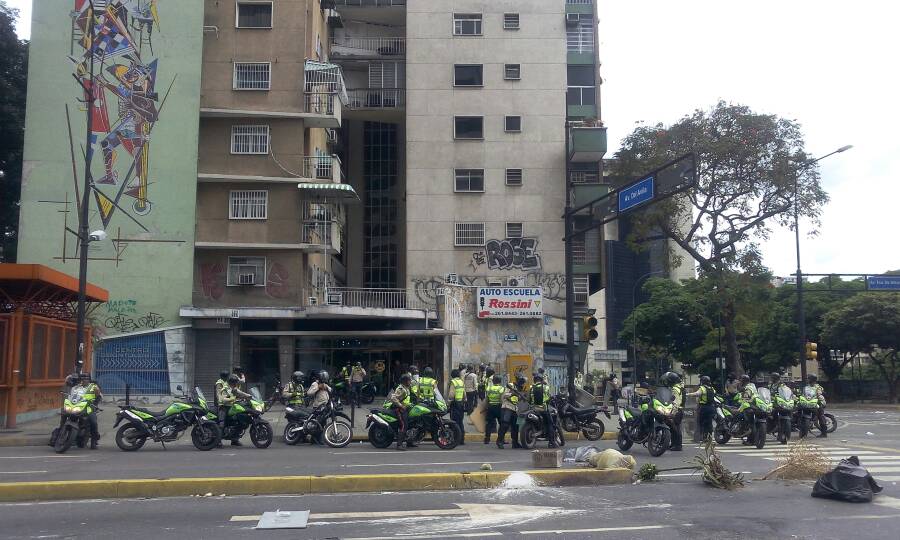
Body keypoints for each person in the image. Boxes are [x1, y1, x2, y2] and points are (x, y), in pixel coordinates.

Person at [221, 374, 252, 446]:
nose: (236, 384)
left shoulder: (234, 388)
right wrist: (232, 399)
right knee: (222, 423)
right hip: (224, 407)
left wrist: (248, 396)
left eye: (236, 383)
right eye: (235, 383)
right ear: (231, 382)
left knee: (239, 420)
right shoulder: (225, 389)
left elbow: (240, 393)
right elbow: (223, 399)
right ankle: (218, 440)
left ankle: (234, 439)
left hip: (232, 407)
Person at [497, 376, 525, 449]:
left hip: (514, 408)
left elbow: (516, 399)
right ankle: (499, 441)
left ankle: (515, 443)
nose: (522, 385)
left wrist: (520, 397)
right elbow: (504, 395)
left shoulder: (519, 388)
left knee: (515, 426)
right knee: (505, 425)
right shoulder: (511, 385)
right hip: (507, 407)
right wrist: (513, 394)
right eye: (521, 383)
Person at [530, 373, 557, 448]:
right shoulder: (546, 387)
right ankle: (551, 442)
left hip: (534, 409)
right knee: (550, 424)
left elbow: (529, 400)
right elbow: (549, 397)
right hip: (543, 408)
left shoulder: (532, 388)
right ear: (541, 380)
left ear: (535, 380)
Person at [388, 374, 414, 450]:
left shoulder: (407, 387)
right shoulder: (401, 389)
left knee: (410, 424)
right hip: (399, 409)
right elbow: (393, 398)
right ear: (405, 381)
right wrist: (401, 406)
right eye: (409, 380)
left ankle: (409, 442)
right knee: (404, 425)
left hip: (406, 408)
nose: (410, 381)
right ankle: (399, 445)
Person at [687, 375, 716, 441]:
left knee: (701, 423)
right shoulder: (712, 389)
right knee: (709, 423)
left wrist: (687, 394)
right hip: (711, 407)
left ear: (702, 382)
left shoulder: (702, 388)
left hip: (703, 408)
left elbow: (697, 394)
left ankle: (700, 437)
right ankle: (709, 437)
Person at [662, 371, 684, 451]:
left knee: (675, 429)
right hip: (680, 410)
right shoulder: (680, 387)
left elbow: (676, 402)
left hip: (677, 411)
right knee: (674, 428)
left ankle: (677, 446)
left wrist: (672, 413)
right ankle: (674, 444)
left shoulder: (675, 389)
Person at [80, 373, 103, 449]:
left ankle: (94, 440)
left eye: (86, 379)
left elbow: (99, 396)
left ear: (89, 380)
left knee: (93, 421)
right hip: (78, 406)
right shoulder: (77, 387)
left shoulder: (94, 387)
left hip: (89, 407)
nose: (84, 380)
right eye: (83, 379)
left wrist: (95, 404)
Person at [483, 375, 504, 444]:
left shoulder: (489, 388)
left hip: (490, 407)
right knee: (501, 424)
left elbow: (487, 399)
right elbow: (501, 400)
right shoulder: (501, 388)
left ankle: (487, 439)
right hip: (498, 407)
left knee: (489, 424)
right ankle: (500, 439)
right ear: (500, 381)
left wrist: (485, 407)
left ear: (493, 381)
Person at [448, 369, 466, 445]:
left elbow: (451, 395)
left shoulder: (453, 382)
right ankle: (462, 439)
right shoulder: (461, 382)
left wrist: (448, 403)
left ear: (452, 375)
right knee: (460, 422)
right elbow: (464, 395)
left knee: (454, 422)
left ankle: (456, 439)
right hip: (461, 404)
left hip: (455, 404)